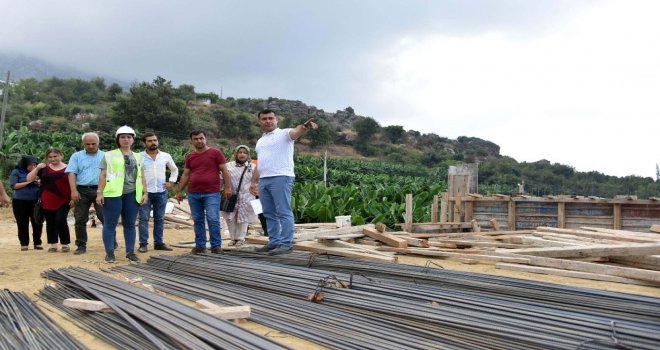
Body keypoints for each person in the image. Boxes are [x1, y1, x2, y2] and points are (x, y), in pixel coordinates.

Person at [249, 109, 317, 255]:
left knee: (283, 211)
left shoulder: (284, 133)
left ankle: (286, 243)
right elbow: (260, 163)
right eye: (264, 119)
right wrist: (253, 182)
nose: (268, 121)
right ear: (259, 121)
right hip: (264, 179)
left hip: (281, 177)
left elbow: (296, 132)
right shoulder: (260, 141)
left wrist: (304, 126)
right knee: (268, 212)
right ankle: (274, 242)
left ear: (276, 119)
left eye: (270, 118)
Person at [96, 126, 147, 263]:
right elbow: (103, 175)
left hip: (132, 194)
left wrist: (145, 193)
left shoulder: (138, 157)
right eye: (123, 137)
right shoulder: (109, 155)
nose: (126, 139)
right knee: (110, 224)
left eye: (129, 137)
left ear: (133, 140)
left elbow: (141, 176)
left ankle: (130, 252)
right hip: (113, 194)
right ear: (118, 139)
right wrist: (99, 193)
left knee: (130, 224)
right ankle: (110, 253)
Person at [176, 130, 231, 255]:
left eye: (201, 138)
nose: (199, 141)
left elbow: (225, 171)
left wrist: (228, 188)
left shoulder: (215, 153)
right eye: (196, 139)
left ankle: (216, 246)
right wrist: (179, 191)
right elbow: (186, 174)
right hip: (193, 193)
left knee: (213, 218)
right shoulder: (190, 156)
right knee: (198, 220)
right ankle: (200, 246)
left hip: (211, 193)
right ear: (192, 141)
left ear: (205, 138)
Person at [138, 132, 177, 253]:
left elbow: (174, 170)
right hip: (145, 193)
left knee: (159, 218)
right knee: (143, 219)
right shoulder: (139, 156)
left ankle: (158, 243)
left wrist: (171, 182)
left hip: (161, 192)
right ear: (145, 143)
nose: (153, 142)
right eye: (149, 141)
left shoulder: (165, 156)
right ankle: (143, 244)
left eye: (155, 140)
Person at [66, 132, 105, 255]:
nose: (91, 146)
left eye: (94, 143)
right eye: (87, 144)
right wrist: (73, 191)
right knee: (80, 219)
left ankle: (111, 241)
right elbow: (72, 173)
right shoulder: (76, 156)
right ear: (83, 144)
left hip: (102, 190)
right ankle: (81, 245)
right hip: (82, 190)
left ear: (98, 143)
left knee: (104, 217)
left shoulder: (106, 156)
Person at [27, 148, 72, 253]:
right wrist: (37, 168)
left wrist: (73, 197)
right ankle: (53, 245)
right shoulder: (44, 169)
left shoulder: (69, 168)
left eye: (55, 156)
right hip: (47, 199)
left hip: (64, 199)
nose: (53, 159)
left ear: (61, 156)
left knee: (61, 220)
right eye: (50, 157)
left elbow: (74, 183)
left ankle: (65, 244)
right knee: (50, 222)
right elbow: (29, 179)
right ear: (47, 158)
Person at [221, 145, 257, 247]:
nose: (242, 154)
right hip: (231, 195)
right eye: (240, 152)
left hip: (247, 196)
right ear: (236, 154)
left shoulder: (252, 167)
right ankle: (233, 238)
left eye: (245, 153)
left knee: (244, 217)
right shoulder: (228, 166)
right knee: (230, 217)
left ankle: (241, 238)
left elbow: (257, 181)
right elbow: (221, 178)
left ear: (248, 155)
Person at [9, 156, 43, 251]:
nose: (33, 166)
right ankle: (24, 243)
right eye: (31, 165)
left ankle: (37, 242)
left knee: (37, 222)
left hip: (35, 201)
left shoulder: (38, 172)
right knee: (22, 223)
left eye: (35, 164)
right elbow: (14, 186)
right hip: (20, 201)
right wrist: (29, 182)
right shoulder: (17, 172)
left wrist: (39, 182)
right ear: (25, 164)